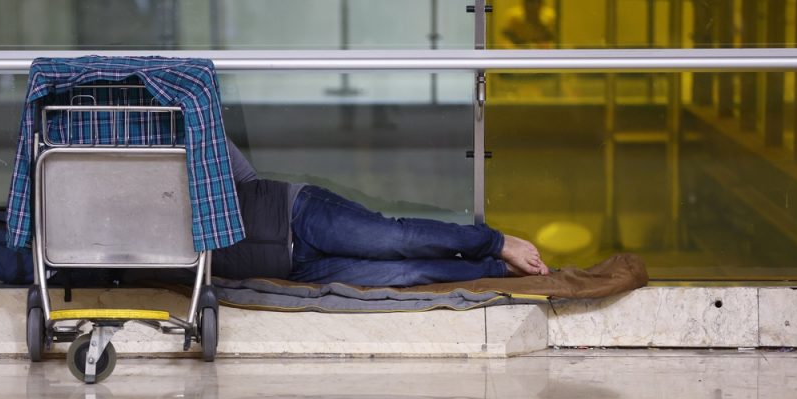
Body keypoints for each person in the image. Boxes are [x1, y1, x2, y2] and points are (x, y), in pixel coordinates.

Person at [211, 141, 548, 287]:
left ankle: (496, 242)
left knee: (396, 239)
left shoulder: (182, 160)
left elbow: (246, 180)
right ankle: (497, 270)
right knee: (405, 275)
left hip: (296, 213)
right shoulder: (159, 253)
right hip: (294, 269)